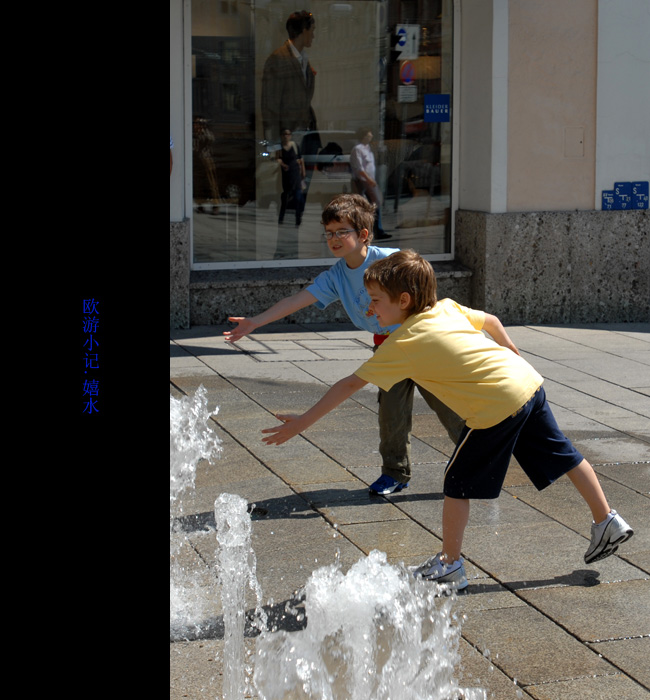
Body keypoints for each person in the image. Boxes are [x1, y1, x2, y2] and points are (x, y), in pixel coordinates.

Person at [261, 249, 634, 590]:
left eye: (375, 301)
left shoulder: (403, 343)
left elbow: (349, 384)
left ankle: (450, 566)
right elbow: (491, 320)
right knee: (565, 453)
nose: (370, 309)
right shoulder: (447, 308)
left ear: (403, 301)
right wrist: (512, 356)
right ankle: (608, 520)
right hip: (527, 383)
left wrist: (301, 423)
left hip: (496, 406)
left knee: (457, 481)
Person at [224, 194, 464, 494]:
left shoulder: (391, 260)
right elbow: (298, 300)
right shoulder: (337, 275)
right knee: (391, 414)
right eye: (328, 233)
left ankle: (477, 456)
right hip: (388, 347)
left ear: (363, 234)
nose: (333, 239)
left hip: (419, 342)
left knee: (446, 403)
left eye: (341, 232)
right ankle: (395, 473)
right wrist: (255, 321)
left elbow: (426, 294)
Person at [261, 11, 319, 145]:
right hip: (288, 137)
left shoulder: (304, 60)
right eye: (312, 30)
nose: (313, 35)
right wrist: (274, 145)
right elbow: (270, 106)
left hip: (306, 136)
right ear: (304, 31)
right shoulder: (278, 59)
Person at [350, 128, 390, 240]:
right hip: (363, 181)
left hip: (370, 180)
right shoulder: (357, 149)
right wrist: (368, 180)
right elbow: (359, 168)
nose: (370, 137)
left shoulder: (368, 149)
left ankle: (377, 229)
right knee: (368, 205)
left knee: (375, 204)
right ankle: (370, 230)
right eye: (368, 135)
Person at [277, 128, 306, 226]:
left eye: (288, 134)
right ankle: (281, 218)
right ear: (281, 135)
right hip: (285, 176)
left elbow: (300, 159)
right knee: (284, 198)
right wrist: (283, 165)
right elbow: (277, 159)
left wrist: (303, 171)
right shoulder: (279, 147)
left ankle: (298, 219)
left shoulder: (295, 145)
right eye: (284, 134)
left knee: (298, 197)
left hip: (295, 174)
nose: (286, 136)